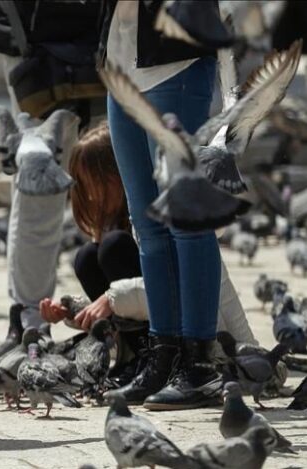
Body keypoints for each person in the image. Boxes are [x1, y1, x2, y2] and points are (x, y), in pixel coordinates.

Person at [39, 123, 257, 386]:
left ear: (119, 175)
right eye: (85, 186)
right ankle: (142, 357)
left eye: (95, 183)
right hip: (161, 317)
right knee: (87, 257)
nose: (91, 196)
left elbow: (177, 290)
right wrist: (73, 311)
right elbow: (127, 295)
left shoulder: (164, 216)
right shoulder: (118, 227)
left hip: (220, 348)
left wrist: (111, 299)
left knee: (113, 248)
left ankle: (166, 359)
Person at [99, 0, 222, 410]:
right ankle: (163, 355)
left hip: (176, 63)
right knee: (147, 224)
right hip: (122, 68)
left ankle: (200, 365)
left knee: (184, 219)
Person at [0, 0, 106, 330]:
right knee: (39, 187)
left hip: (111, 36)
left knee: (114, 184)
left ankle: (125, 313)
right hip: (30, 38)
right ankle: (29, 319)